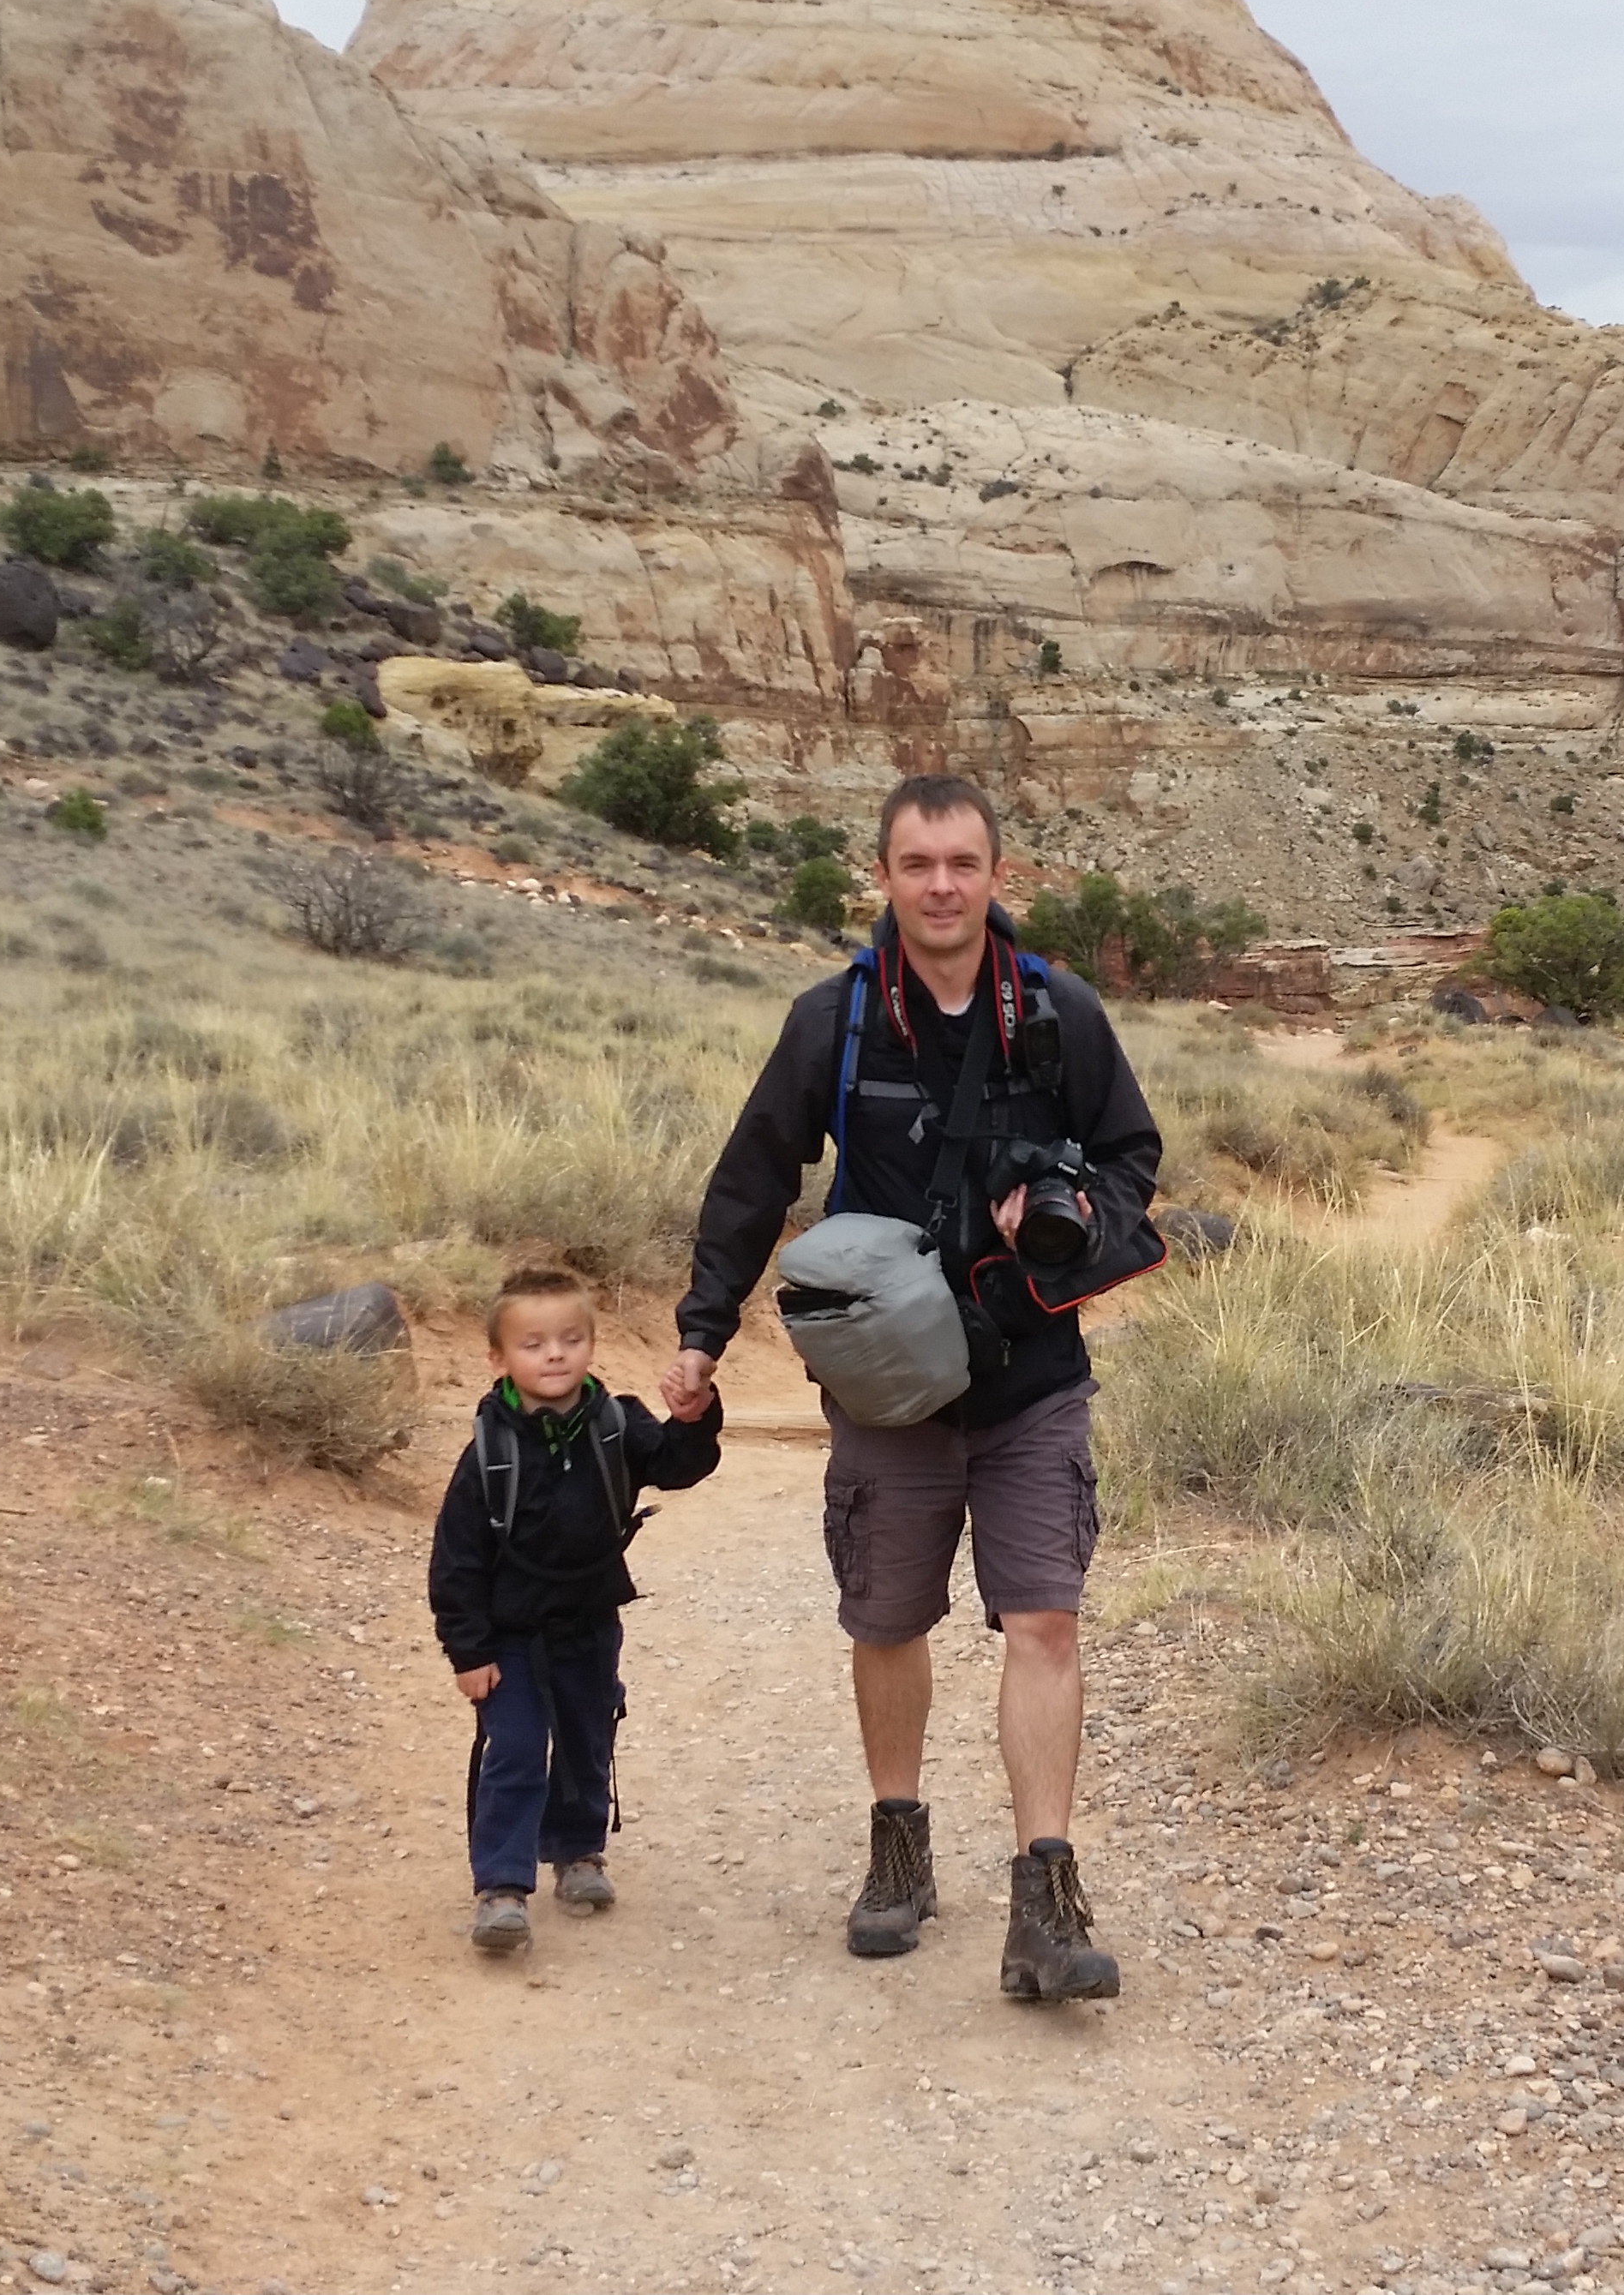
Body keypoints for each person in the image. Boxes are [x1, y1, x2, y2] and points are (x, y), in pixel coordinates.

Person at [662, 775, 1166, 2002]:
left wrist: (1069, 1215)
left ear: (999, 876)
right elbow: (752, 1177)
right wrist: (700, 1332)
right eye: (916, 863)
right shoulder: (834, 1020)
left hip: (1031, 1377)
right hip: (889, 1389)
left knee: (1043, 1618)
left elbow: (1133, 1157)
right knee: (886, 1620)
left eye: (962, 863)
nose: (941, 885)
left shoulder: (1058, 1014)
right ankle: (899, 1849)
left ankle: (1046, 1894)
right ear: (881, 877)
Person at [427, 1261, 723, 1956]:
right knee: (518, 1749)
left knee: (590, 1736)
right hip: (509, 1636)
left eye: (569, 1339)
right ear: (498, 1358)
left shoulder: (615, 1423)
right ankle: (501, 1884)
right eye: (532, 1344)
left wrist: (695, 1418)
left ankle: (580, 1852)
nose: (553, 1354)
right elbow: (458, 1561)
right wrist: (467, 1652)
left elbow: (681, 1466)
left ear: (591, 1344)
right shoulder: (489, 1453)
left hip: (590, 1622)